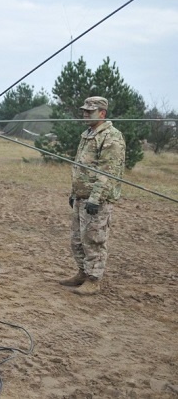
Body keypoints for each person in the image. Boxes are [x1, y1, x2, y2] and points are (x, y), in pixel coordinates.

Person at [60, 96, 126, 295]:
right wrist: (74, 193)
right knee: (77, 239)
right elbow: (80, 167)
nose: (85, 114)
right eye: (84, 110)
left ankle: (93, 279)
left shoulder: (111, 137)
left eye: (90, 111)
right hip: (81, 197)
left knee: (94, 239)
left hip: (97, 200)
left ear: (102, 113)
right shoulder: (88, 133)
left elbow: (109, 171)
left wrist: (95, 198)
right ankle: (82, 272)